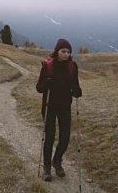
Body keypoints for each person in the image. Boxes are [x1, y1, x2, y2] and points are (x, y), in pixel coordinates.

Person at [36, 38, 83, 181]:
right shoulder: (48, 66)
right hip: (49, 106)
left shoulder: (72, 67)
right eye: (63, 51)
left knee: (65, 138)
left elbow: (76, 86)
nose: (66, 54)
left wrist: (77, 91)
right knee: (49, 137)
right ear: (57, 51)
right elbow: (39, 87)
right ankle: (47, 168)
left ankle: (57, 161)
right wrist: (46, 84)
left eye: (68, 52)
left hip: (64, 106)